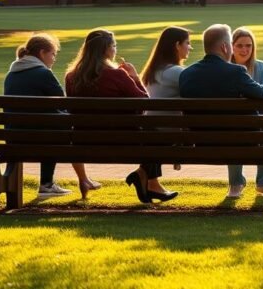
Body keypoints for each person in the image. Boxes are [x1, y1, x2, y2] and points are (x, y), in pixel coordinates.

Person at [179, 24, 263, 199]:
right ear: (226, 47)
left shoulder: (186, 74)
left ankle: (246, 183)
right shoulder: (235, 72)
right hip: (242, 139)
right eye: (235, 45)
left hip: (203, 142)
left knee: (242, 129)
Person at [64, 29, 179, 204]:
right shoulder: (117, 75)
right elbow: (145, 103)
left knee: (152, 133)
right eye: (114, 46)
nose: (115, 50)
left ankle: (149, 182)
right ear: (106, 49)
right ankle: (146, 178)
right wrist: (134, 78)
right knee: (158, 135)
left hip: (84, 140)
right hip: (123, 139)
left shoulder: (71, 77)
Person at [3, 33, 100, 199]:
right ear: (42, 53)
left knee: (52, 126)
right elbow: (63, 103)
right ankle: (49, 183)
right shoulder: (43, 73)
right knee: (60, 128)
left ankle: (68, 181)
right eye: (53, 54)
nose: (54, 59)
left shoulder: (11, 74)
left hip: (14, 138)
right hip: (43, 137)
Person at [227, 26, 263, 199]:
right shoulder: (226, 68)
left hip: (259, 120)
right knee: (233, 131)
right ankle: (236, 183)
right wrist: (254, 94)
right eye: (240, 45)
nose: (244, 50)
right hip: (235, 123)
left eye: (248, 46)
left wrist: (245, 93)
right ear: (231, 46)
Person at [140, 26, 193, 171]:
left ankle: (144, 175)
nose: (190, 47)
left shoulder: (152, 71)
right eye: (187, 43)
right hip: (170, 134)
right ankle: (145, 176)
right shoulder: (176, 72)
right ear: (177, 45)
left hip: (151, 130)